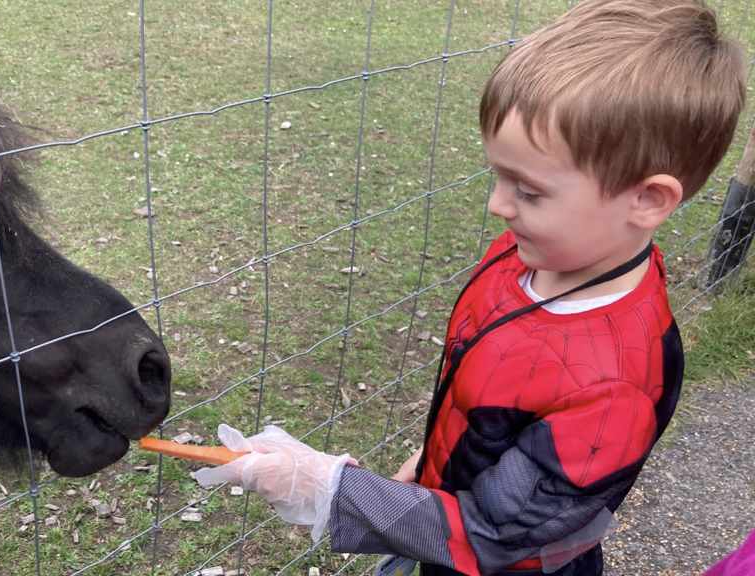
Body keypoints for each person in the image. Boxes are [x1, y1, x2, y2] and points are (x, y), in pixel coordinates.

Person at [193, 1, 747, 575]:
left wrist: (327, 488)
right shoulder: (532, 254)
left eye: (528, 190)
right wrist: (436, 460)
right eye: (498, 176)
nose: (497, 206)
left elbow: (491, 534)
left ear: (648, 200)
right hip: (440, 518)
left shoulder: (614, 390)